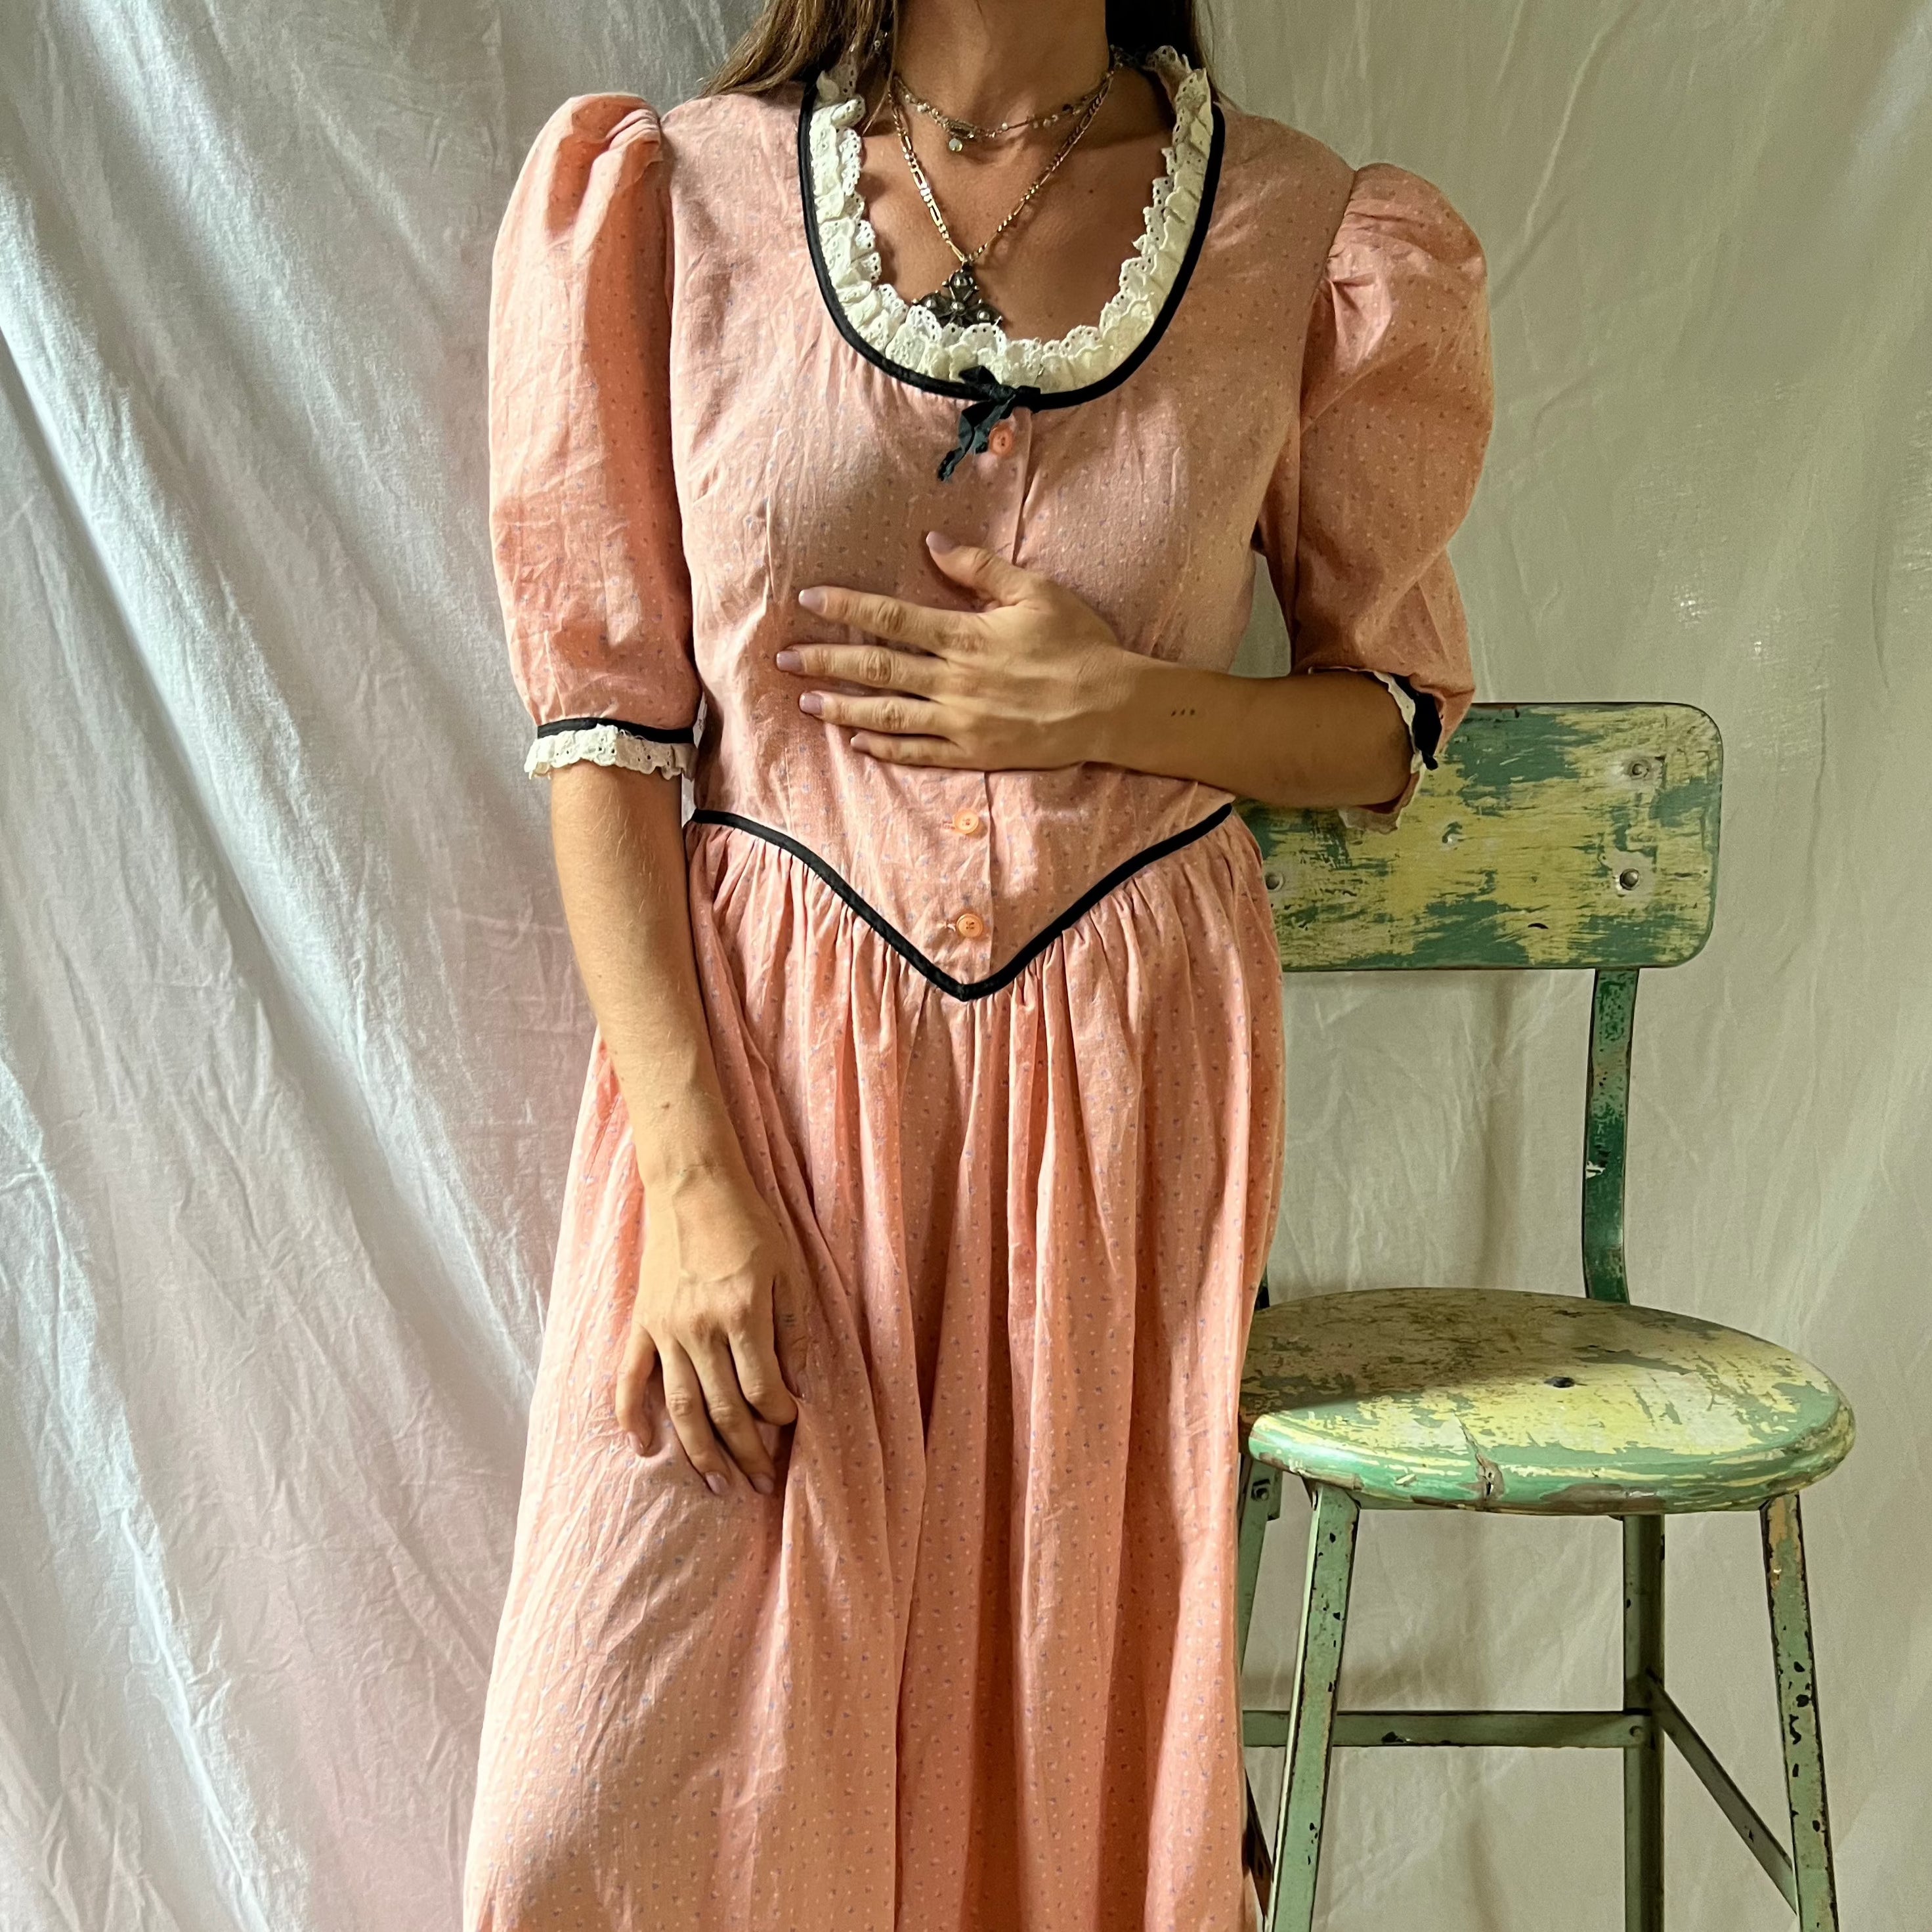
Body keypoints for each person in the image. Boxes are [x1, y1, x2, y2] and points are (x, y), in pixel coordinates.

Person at [463, 0, 1492, 1925]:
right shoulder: (674, 200)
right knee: (583, 1819)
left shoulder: (1296, 231)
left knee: (1045, 1796)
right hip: (768, 1090)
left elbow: (1389, 724)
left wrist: (1113, 702)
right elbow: (604, 730)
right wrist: (691, 1178)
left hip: (1113, 1098)